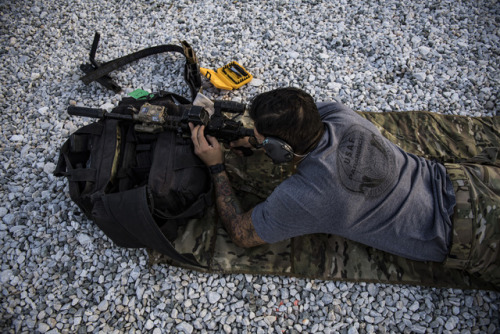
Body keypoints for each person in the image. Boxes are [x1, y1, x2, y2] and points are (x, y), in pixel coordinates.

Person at [189, 87, 500, 286]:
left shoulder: (310, 196)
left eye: (260, 140)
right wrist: (254, 139)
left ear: (280, 150)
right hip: (469, 180)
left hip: (472, 235)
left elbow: (242, 234)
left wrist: (216, 167)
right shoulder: (339, 114)